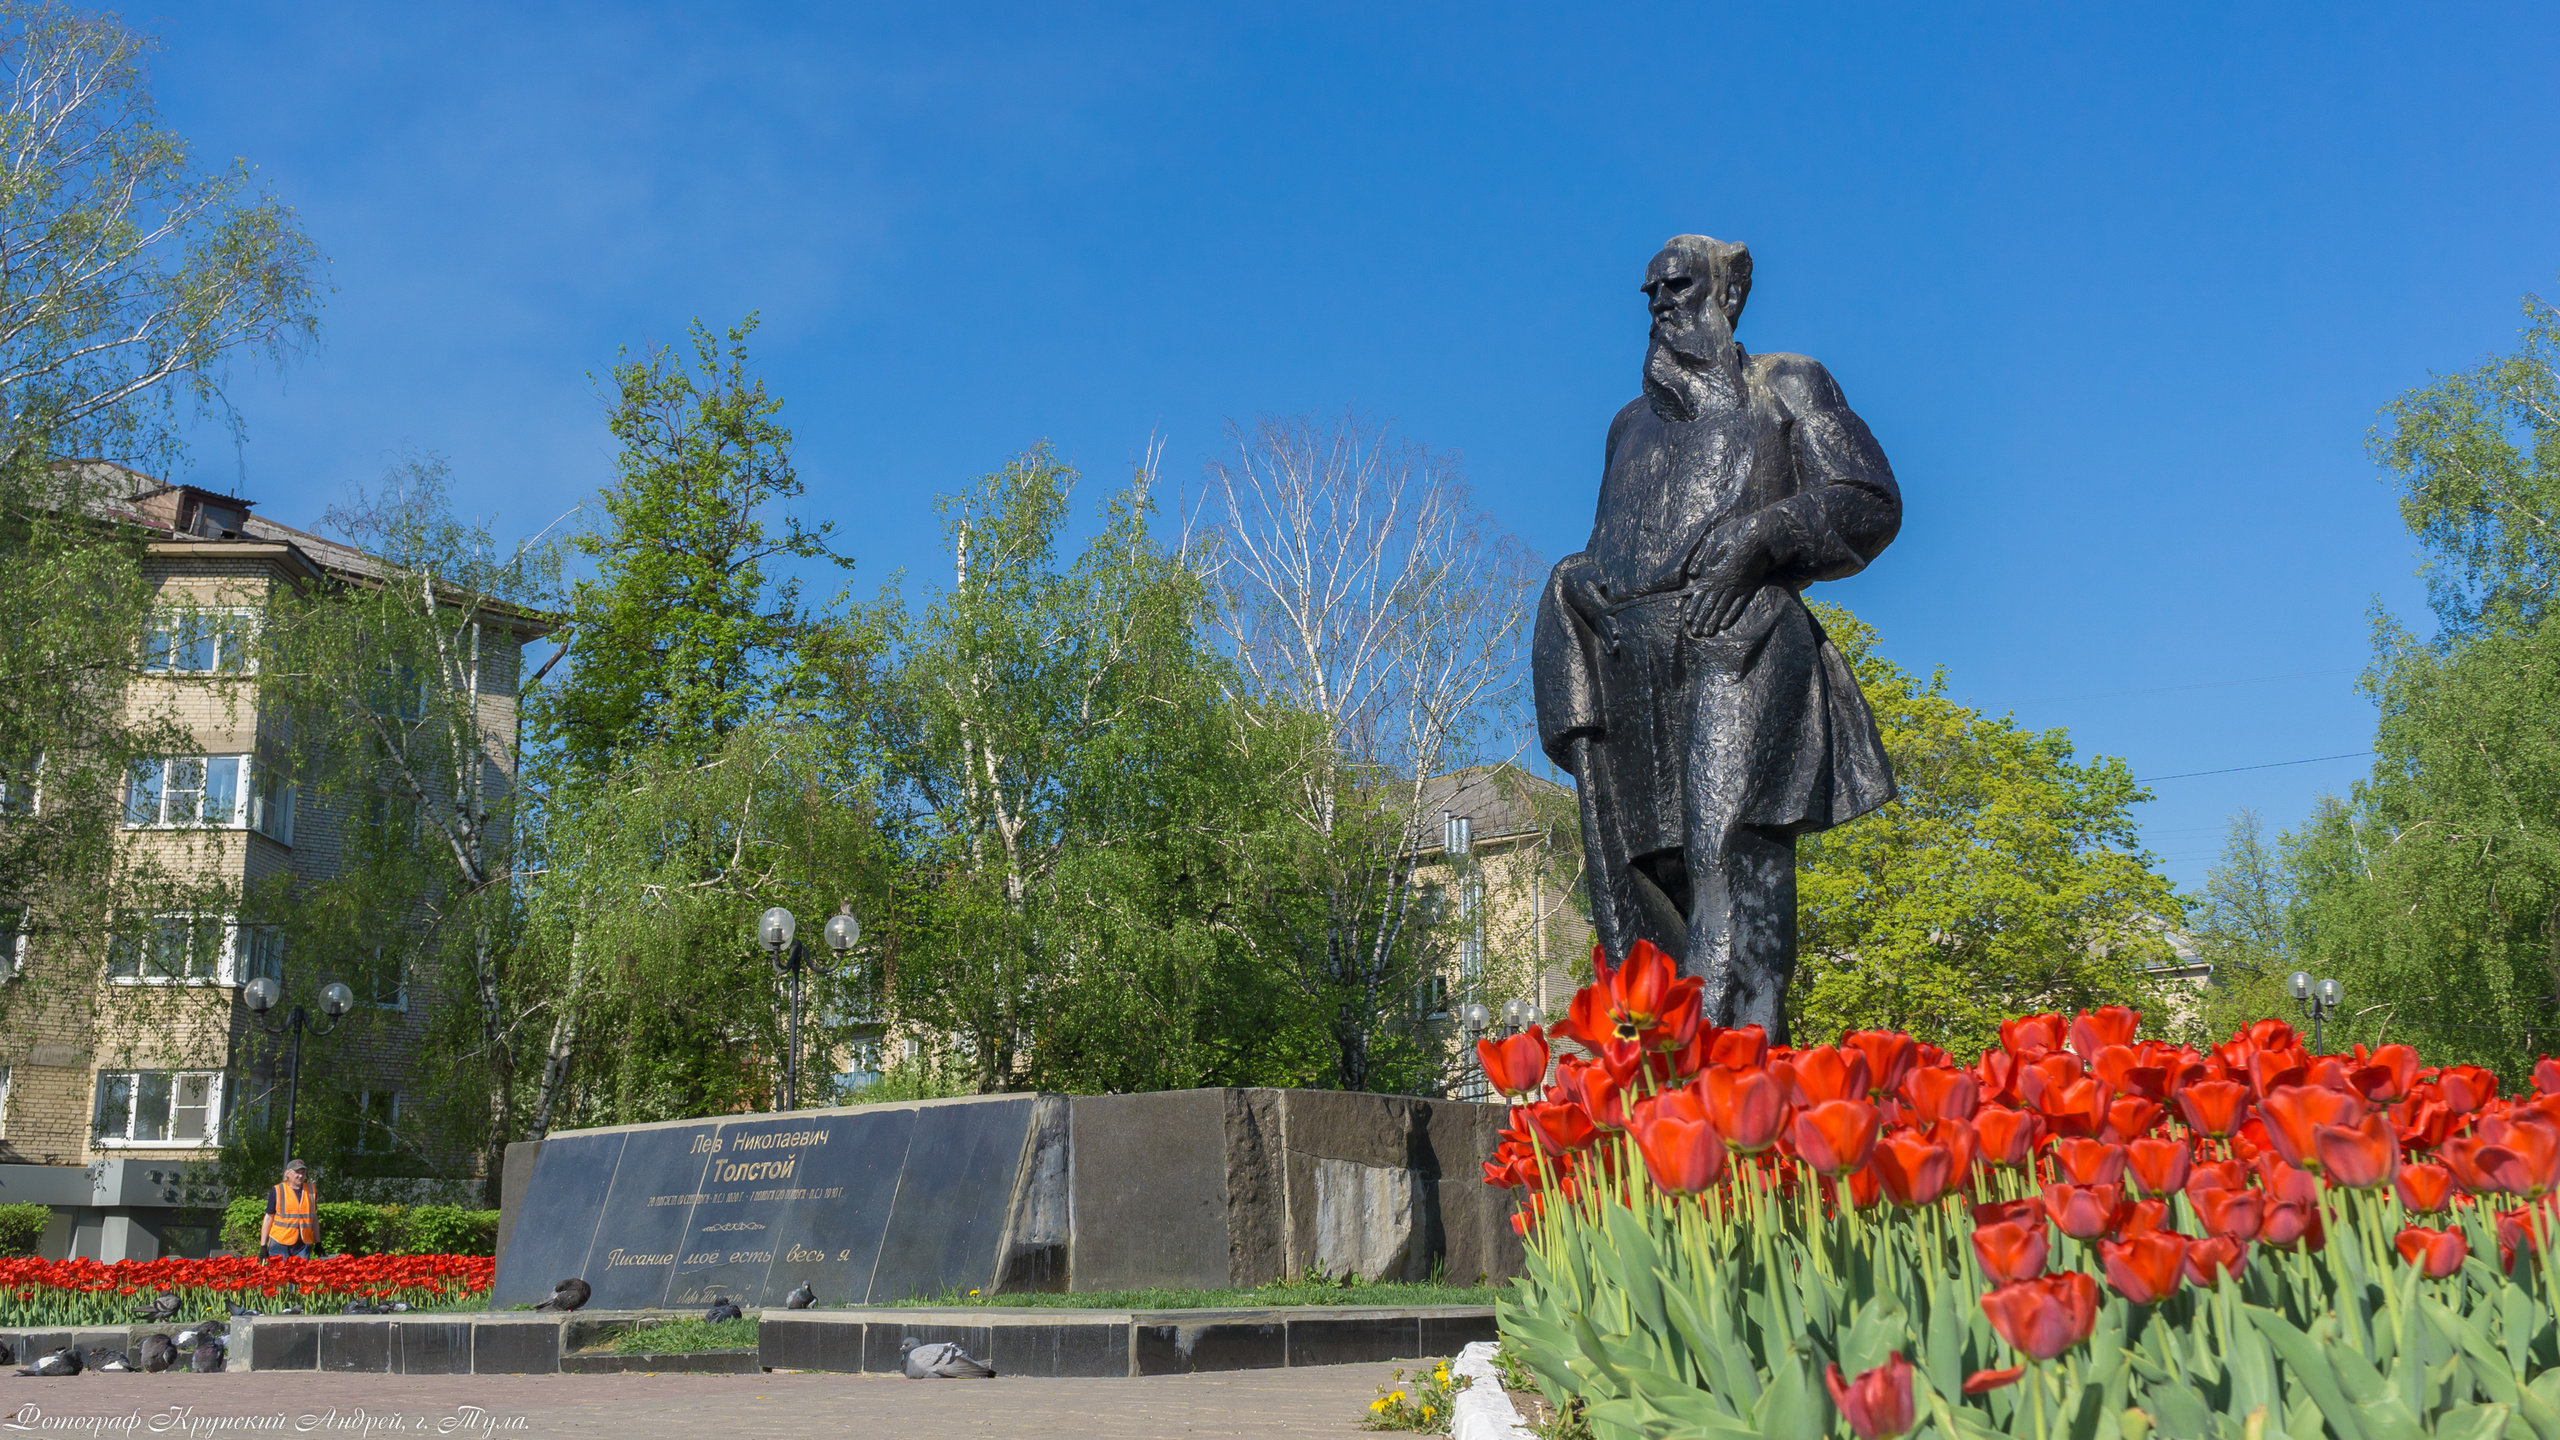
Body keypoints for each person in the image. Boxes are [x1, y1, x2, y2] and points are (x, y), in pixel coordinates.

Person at [1534, 234, 1902, 1043]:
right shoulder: (1627, 426)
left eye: (1680, 284)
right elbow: (1608, 540)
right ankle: (1658, 1076)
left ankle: (1730, 1077)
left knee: (1725, 854)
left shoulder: (1787, 384)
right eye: (1651, 291)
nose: (1663, 301)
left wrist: (1767, 531)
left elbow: (1870, 498)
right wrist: (1572, 575)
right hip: (1633, 659)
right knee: (1647, 873)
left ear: (1727, 293)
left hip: (1740, 641)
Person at [263, 1159, 317, 1257]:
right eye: (297, 1172)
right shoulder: (278, 1190)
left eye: (303, 1172)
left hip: (303, 1245)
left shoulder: (311, 1190)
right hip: (280, 1242)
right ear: (287, 1173)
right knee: (279, 1272)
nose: (300, 1176)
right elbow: (268, 1217)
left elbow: (314, 1218)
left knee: (302, 1272)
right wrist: (263, 1245)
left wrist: (318, 1242)